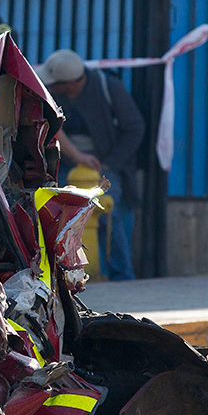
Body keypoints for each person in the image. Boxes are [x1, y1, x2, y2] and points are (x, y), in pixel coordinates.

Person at [38, 49, 146, 281]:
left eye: (55, 84)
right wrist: (76, 156)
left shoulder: (110, 88)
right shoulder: (52, 95)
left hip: (105, 164)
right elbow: (50, 126)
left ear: (72, 84)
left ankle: (121, 276)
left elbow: (135, 128)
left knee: (108, 211)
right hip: (66, 164)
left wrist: (110, 163)